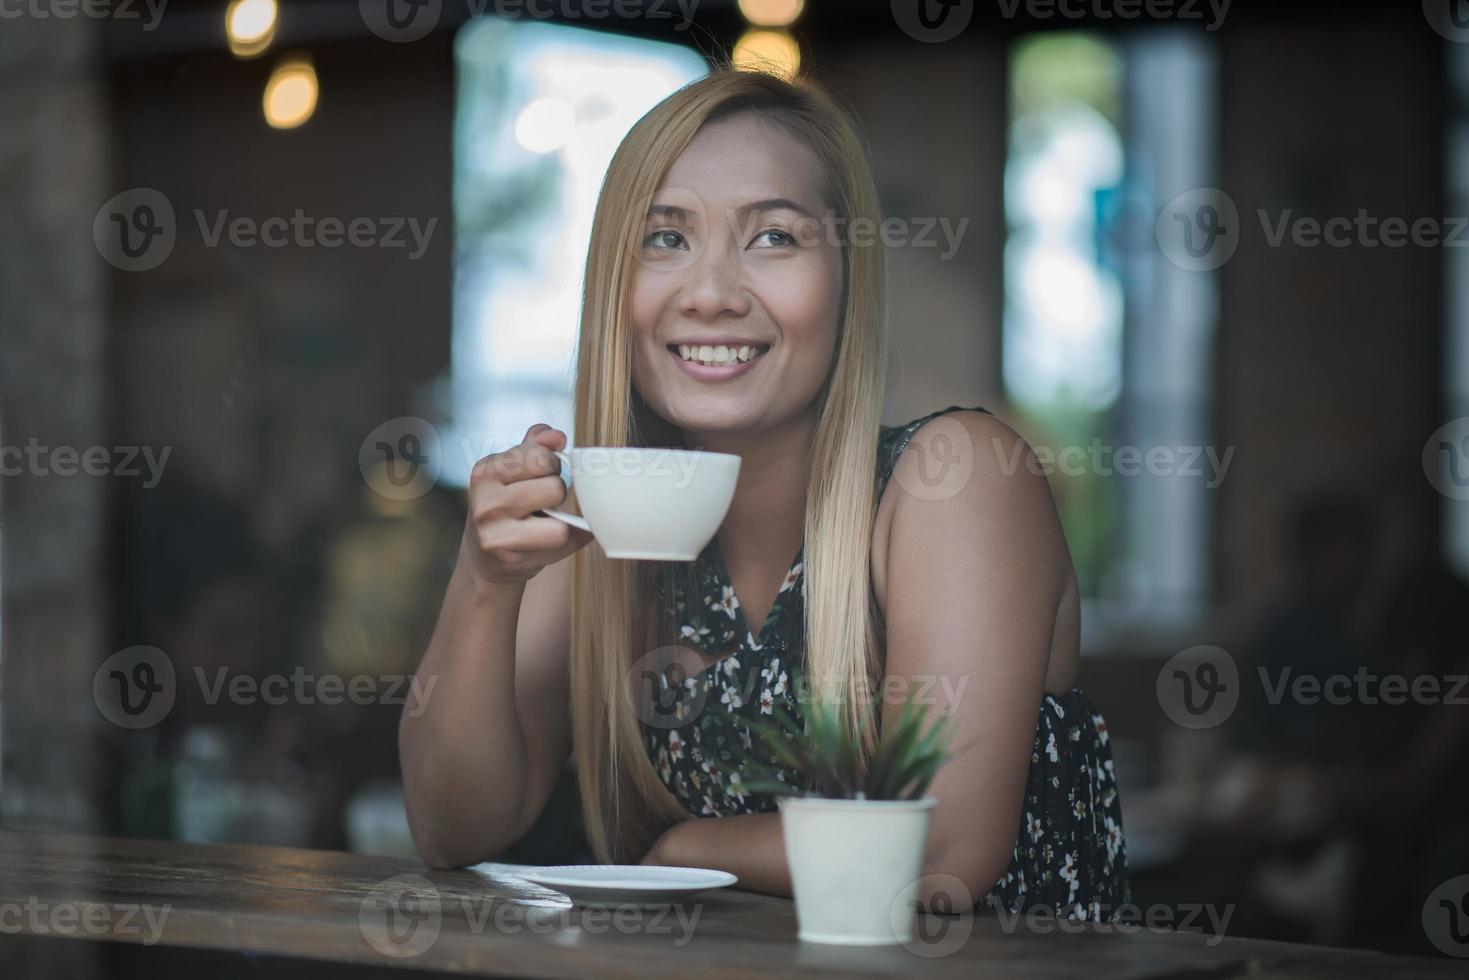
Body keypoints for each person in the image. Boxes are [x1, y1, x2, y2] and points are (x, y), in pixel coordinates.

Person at [399, 68, 1127, 917]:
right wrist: (485, 585)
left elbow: (943, 848)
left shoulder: (953, 479)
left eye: (773, 238)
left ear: (846, 278)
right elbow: (452, 828)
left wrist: (680, 852)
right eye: (664, 239)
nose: (709, 294)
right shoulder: (606, 521)